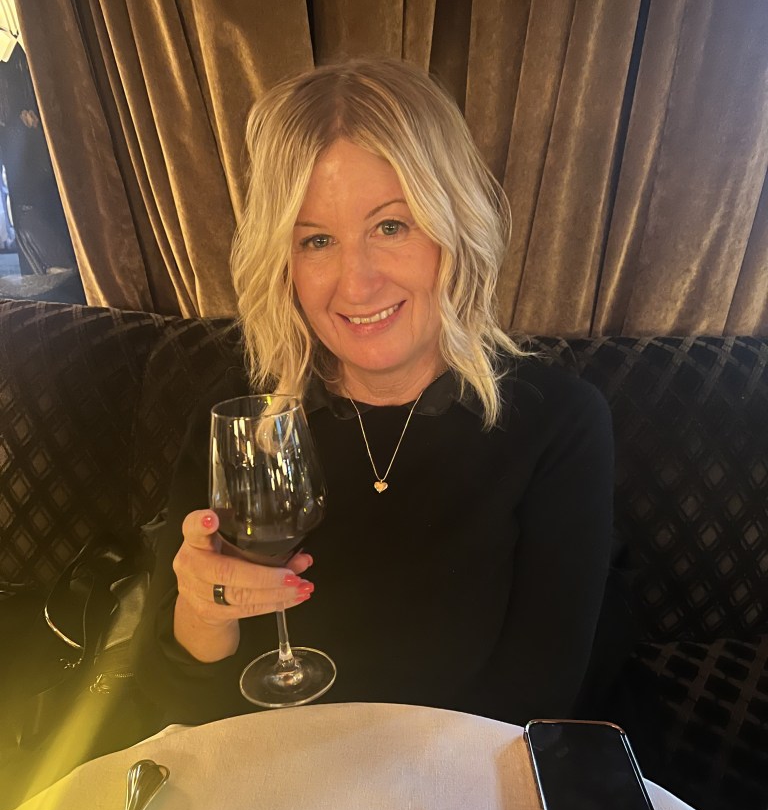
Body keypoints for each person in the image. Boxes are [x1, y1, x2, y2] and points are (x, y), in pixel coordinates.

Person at [133, 58, 614, 727]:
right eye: (317, 240)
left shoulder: (557, 422)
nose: (356, 284)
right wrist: (203, 611)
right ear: (284, 263)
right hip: (269, 772)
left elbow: (535, 704)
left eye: (391, 226)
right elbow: (174, 702)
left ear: (454, 229)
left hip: (455, 780)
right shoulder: (244, 420)